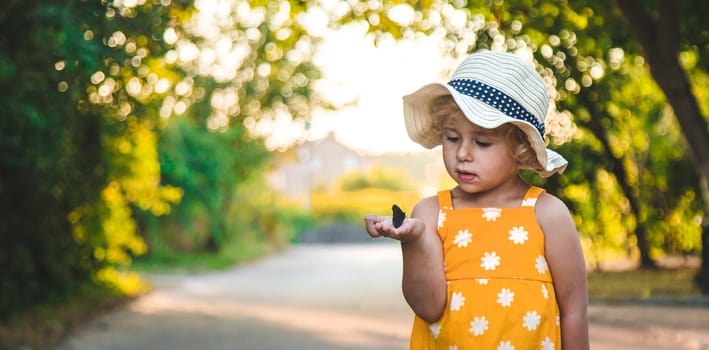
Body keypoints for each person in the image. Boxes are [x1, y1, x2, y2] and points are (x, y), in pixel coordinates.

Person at [364, 51, 590, 349]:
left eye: (482, 142)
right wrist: (415, 239)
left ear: (521, 148)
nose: (462, 154)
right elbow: (428, 307)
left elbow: (574, 310)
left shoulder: (547, 214)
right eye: (452, 138)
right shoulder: (432, 213)